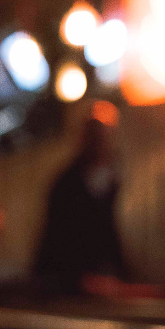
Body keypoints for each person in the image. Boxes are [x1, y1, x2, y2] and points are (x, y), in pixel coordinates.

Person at [33, 105, 127, 297]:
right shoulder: (65, 184)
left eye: (103, 135)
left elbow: (110, 233)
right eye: (95, 135)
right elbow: (57, 240)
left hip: (99, 282)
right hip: (65, 284)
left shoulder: (112, 179)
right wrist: (78, 278)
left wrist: (123, 275)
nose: (100, 141)